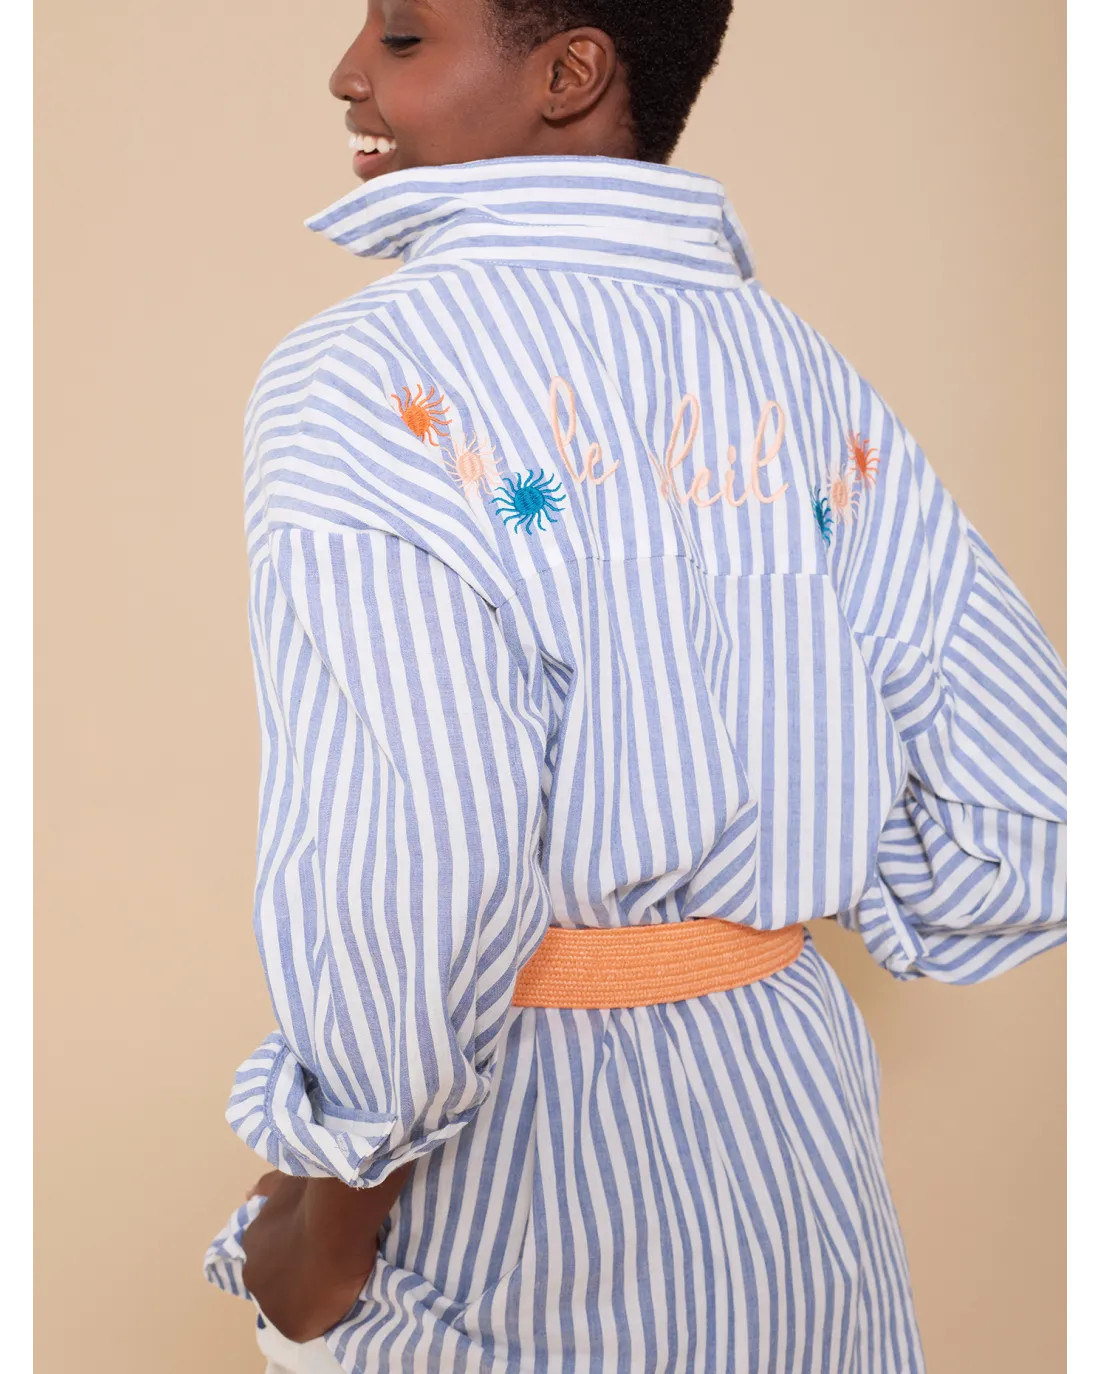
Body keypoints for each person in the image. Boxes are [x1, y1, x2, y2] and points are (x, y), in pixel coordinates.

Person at [203, 0, 1071, 1370]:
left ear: (571, 72)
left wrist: (327, 1216)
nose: (347, 73)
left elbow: (418, 851)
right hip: (800, 1162)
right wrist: (749, 882)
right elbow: (1026, 809)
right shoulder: (799, 373)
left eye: (405, 36)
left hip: (516, 1192)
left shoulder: (362, 376)